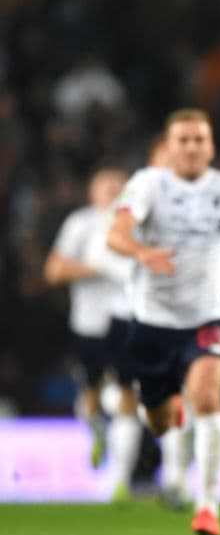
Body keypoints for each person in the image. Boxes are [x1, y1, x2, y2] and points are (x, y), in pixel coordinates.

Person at [108, 108, 220, 535]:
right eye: (182, 140)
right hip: (153, 320)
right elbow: (115, 233)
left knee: (207, 398)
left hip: (210, 314)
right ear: (169, 148)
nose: (190, 147)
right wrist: (141, 252)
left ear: (210, 147)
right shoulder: (148, 184)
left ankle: (207, 505)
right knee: (157, 420)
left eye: (198, 140)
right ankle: (168, 406)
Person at [44, 168, 140, 500]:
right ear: (92, 191)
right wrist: (102, 267)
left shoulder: (137, 222)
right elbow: (54, 271)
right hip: (89, 323)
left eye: (119, 184)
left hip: (128, 319)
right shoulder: (79, 223)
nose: (113, 189)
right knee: (91, 399)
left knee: (128, 394)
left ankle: (120, 480)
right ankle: (97, 432)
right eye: (106, 184)